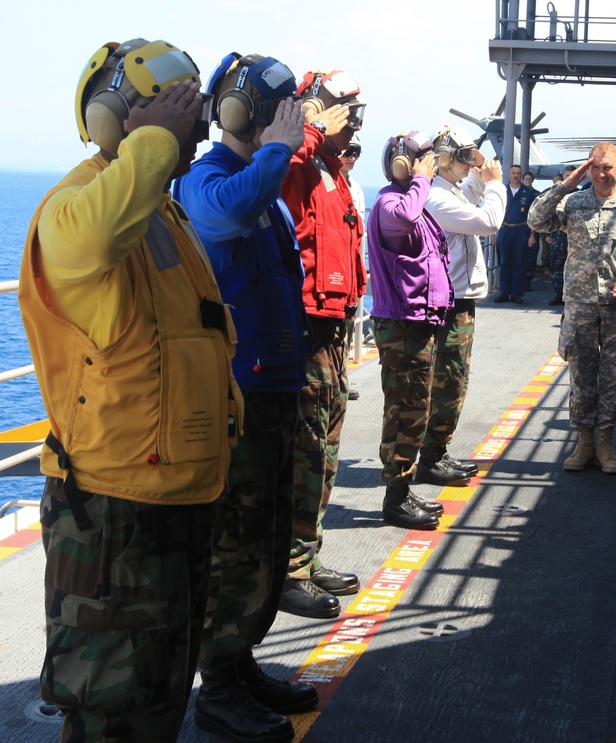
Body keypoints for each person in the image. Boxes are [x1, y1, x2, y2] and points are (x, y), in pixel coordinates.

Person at [18, 38, 240, 743]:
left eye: (188, 109)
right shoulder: (74, 207)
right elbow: (98, 236)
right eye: (163, 108)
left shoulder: (162, 215)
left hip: (176, 498)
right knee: (111, 707)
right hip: (115, 515)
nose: (186, 123)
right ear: (114, 119)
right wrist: (152, 141)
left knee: (158, 695)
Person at [176, 52, 315, 743]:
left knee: (268, 538)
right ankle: (219, 686)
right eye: (279, 109)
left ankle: (243, 657)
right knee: (236, 543)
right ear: (244, 113)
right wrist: (279, 154)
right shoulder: (210, 181)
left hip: (278, 387)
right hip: (242, 392)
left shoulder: (264, 187)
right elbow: (224, 218)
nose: (290, 120)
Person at [277, 68, 367, 620]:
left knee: (325, 452)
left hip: (334, 328)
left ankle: (306, 556)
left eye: (355, 109)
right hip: (307, 328)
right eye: (340, 107)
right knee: (306, 452)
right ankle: (288, 568)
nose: (351, 117)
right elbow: (271, 172)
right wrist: (307, 130)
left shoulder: (333, 171)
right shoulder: (299, 163)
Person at [528, 142, 616, 475]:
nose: (602, 174)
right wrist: (567, 183)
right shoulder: (573, 203)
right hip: (580, 306)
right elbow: (536, 219)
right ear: (589, 168)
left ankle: (606, 444)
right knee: (582, 378)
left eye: (608, 167)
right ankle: (584, 442)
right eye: (596, 167)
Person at [368, 131, 453, 530]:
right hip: (402, 326)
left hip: (418, 323)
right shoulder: (390, 204)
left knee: (415, 411)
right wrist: (420, 179)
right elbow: (403, 218)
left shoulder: (410, 202)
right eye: (423, 160)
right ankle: (395, 498)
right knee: (405, 412)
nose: (430, 167)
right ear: (404, 164)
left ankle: (402, 488)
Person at [418, 125, 506, 486]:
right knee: (447, 381)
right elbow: (487, 221)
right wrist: (498, 184)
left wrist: (482, 173)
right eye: (465, 157)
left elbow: (468, 195)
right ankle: (431, 457)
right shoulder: (435, 198)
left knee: (454, 380)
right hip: (449, 303)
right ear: (446, 161)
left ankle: (438, 450)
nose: (470, 162)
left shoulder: (448, 191)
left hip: (459, 299)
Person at [341, 134, 366, 402]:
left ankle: (342, 378)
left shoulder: (356, 188)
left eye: (357, 152)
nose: (352, 157)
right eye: (348, 150)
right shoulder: (325, 183)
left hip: (351, 268)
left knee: (348, 326)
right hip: (335, 270)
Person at [493, 164, 538, 304]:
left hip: (521, 230)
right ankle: (504, 292)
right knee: (504, 261)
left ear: (521, 175)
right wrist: (492, 233)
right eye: (513, 173)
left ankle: (516, 294)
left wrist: (532, 235)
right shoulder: (502, 191)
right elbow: (495, 212)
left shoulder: (527, 192)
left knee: (519, 262)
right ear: (509, 174)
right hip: (505, 229)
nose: (516, 175)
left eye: (518, 173)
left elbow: (532, 215)